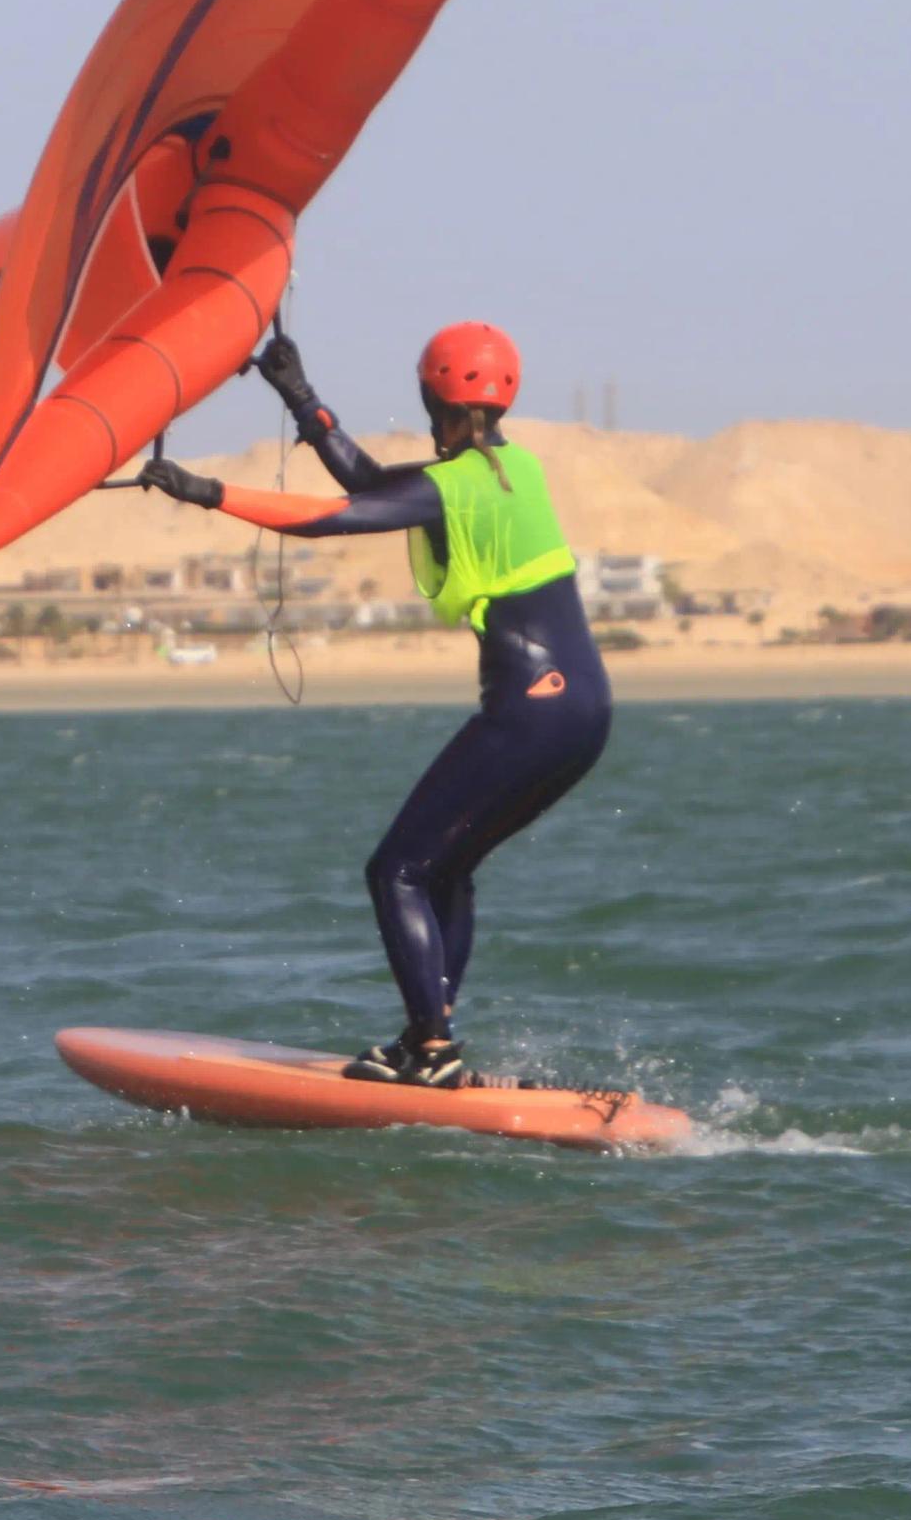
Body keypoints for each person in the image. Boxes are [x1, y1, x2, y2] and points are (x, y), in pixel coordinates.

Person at [137, 322, 612, 1088]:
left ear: (430, 395)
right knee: (446, 867)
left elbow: (336, 515)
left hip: (531, 708)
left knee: (396, 871)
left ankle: (433, 1053)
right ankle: (429, 1038)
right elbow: (375, 484)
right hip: (585, 710)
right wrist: (301, 397)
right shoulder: (514, 471)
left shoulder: (451, 484)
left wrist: (208, 492)